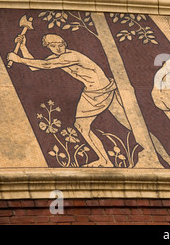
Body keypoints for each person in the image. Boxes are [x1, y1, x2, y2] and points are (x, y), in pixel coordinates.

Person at [7, 33, 133, 167]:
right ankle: (105, 160)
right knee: (120, 122)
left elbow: (47, 65)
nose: (58, 48)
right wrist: (24, 47)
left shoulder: (72, 56)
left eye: (61, 45)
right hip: (95, 92)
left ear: (65, 44)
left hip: (99, 92)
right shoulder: (56, 58)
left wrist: (19, 60)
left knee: (90, 125)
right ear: (47, 47)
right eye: (53, 46)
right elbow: (35, 66)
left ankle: (106, 160)